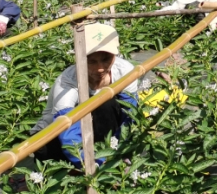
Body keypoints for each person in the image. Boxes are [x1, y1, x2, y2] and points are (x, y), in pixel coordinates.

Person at [33, 23, 140, 167]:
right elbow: (66, 128)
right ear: (79, 58)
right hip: (59, 136)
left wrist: (116, 150)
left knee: (106, 103)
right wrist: (89, 163)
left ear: (115, 56)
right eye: (92, 61)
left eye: (105, 59)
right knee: (44, 147)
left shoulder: (125, 72)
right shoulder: (67, 82)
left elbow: (129, 115)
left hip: (99, 133)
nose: (100, 68)